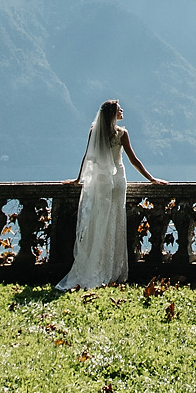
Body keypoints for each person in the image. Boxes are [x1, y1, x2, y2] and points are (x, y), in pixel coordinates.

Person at [54, 99, 162, 291]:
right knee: (114, 223)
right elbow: (133, 160)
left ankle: (95, 267)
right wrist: (152, 179)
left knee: (98, 223)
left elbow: (87, 158)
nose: (122, 111)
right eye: (120, 109)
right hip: (118, 181)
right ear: (113, 114)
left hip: (101, 182)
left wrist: (78, 180)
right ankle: (110, 270)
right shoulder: (122, 134)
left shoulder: (95, 131)